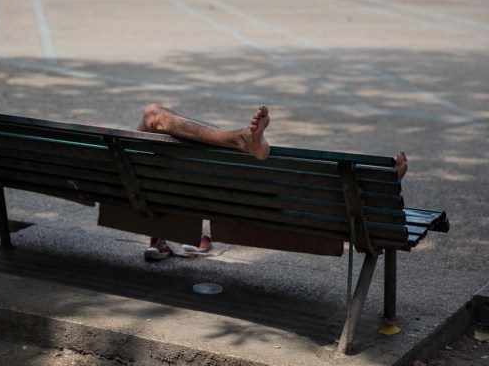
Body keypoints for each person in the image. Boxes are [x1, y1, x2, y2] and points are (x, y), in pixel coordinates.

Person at [135, 104, 408, 260]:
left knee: (153, 118)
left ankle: (236, 140)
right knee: (154, 116)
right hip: (226, 193)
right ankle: (372, 192)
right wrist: (380, 190)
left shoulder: (127, 166)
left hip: (147, 187)